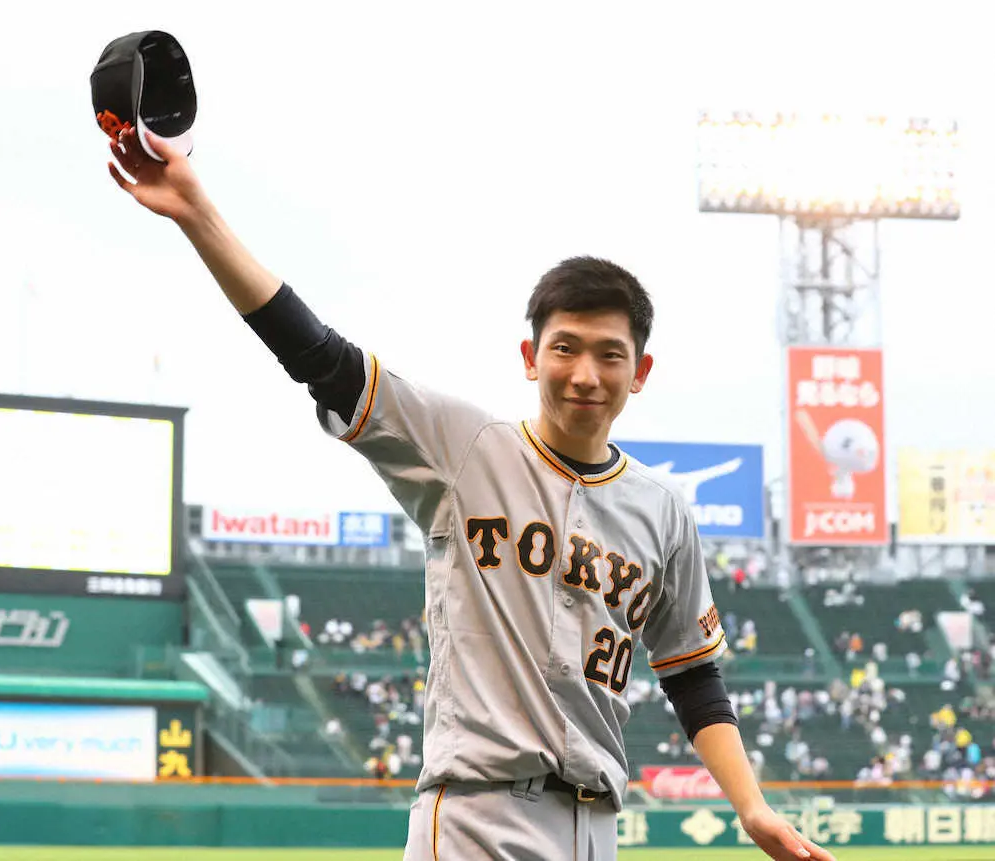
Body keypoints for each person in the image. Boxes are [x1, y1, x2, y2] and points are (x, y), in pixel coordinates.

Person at [105, 127, 834, 861]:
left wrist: (752, 807)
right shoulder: (466, 446)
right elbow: (321, 357)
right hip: (480, 816)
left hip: (598, 829)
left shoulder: (664, 511)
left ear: (639, 371)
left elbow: (692, 674)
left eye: (610, 354)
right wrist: (200, 215)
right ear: (531, 357)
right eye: (566, 346)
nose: (586, 373)